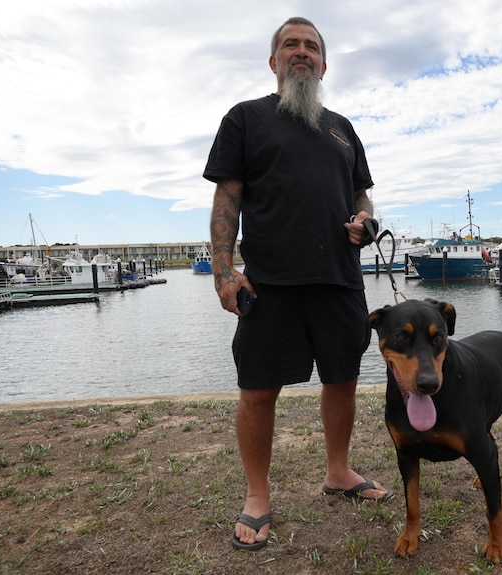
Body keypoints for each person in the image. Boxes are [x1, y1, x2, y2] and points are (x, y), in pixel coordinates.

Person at [203, 16, 393, 552]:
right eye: (291, 44)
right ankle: (258, 496)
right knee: (259, 390)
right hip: (269, 284)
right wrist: (223, 270)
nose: (302, 52)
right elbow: (227, 201)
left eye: (312, 46)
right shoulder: (246, 119)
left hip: (339, 280)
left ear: (325, 64)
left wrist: (366, 221)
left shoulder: (342, 128)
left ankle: (338, 472)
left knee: (343, 378)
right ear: (274, 61)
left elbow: (362, 197)